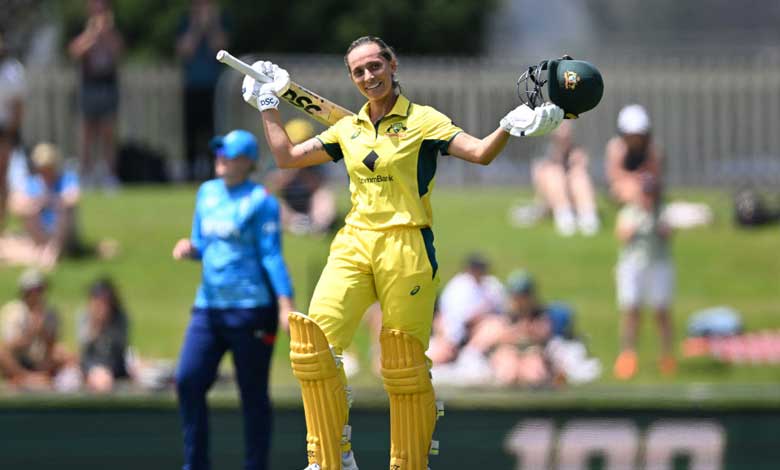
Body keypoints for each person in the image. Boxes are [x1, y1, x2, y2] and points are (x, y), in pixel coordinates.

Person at [242, 36, 568, 470]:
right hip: (354, 241)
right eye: (358, 71)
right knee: (311, 342)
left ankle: (409, 464)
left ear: (392, 65)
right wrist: (269, 102)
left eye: (374, 66)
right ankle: (329, 456)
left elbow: (479, 153)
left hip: (407, 244)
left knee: (404, 363)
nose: (368, 76)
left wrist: (509, 126)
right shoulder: (348, 128)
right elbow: (285, 158)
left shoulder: (424, 121)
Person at [171, 129, 295, 470]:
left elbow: (271, 255)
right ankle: (195, 464)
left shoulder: (261, 202)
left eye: (228, 155)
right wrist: (190, 248)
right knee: (188, 380)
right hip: (209, 308)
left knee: (253, 394)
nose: (220, 160)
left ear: (247, 162)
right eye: (218, 153)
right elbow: (202, 242)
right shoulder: (207, 193)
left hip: (251, 310)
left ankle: (255, 465)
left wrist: (286, 304)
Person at [613, 174, 675, 380]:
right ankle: (627, 354)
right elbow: (622, 235)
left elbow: (668, 233)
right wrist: (639, 224)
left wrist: (657, 224)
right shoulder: (630, 212)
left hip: (658, 265)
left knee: (661, 312)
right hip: (633, 266)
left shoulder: (662, 212)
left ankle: (666, 356)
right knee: (632, 311)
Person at [68, 0, 123, 189]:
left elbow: (119, 51)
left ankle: (110, 174)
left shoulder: (112, 29)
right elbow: (75, 51)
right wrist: (92, 34)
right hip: (88, 86)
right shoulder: (82, 28)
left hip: (107, 85)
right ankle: (86, 174)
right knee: (87, 133)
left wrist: (106, 34)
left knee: (108, 132)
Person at [0, 268, 81, 391]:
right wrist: (31, 333)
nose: (37, 294)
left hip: (42, 359)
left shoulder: (51, 313)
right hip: (20, 359)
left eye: (40, 290)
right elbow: (10, 346)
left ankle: (50, 379)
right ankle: (25, 377)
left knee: (67, 354)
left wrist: (43, 332)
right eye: (34, 290)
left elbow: (53, 344)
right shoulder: (13, 311)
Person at [176, 0, 230, 181]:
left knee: (214, 130)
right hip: (192, 86)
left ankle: (215, 168)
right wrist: (197, 27)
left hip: (215, 87)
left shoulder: (221, 22)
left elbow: (220, 47)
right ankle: (190, 171)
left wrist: (212, 25)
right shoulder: (185, 22)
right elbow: (185, 50)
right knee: (191, 131)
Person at [10, 142, 83, 268]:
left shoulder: (67, 179)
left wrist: (51, 200)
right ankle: (43, 250)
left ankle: (53, 250)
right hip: (40, 231)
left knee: (64, 209)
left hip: (63, 232)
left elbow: (73, 198)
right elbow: (15, 205)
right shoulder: (30, 183)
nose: (46, 171)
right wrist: (37, 203)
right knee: (28, 209)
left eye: (49, 167)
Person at [427, 253, 505, 366]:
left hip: (479, 331)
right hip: (455, 332)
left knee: (495, 325)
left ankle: (472, 353)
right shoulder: (458, 286)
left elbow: (501, 311)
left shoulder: (492, 285)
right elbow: (455, 317)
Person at [266, 119, 338, 235]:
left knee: (325, 197)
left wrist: (304, 167)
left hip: (310, 202)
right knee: (272, 202)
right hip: (288, 203)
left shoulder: (319, 157)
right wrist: (292, 168)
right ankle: (294, 224)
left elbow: (321, 186)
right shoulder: (279, 157)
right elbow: (272, 187)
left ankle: (319, 226)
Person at [529, 120, 600, 236]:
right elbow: (539, 182)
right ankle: (565, 215)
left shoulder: (576, 152)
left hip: (574, 196)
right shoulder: (545, 154)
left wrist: (577, 164)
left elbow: (584, 172)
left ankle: (588, 215)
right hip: (551, 199)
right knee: (554, 174)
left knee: (579, 175)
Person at [77, 277, 130, 393]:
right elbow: (84, 346)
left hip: (114, 363)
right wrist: (97, 325)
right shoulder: (85, 316)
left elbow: (120, 346)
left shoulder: (120, 317)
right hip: (91, 362)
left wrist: (107, 322)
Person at [605, 104, 663, 204]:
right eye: (631, 136)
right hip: (625, 186)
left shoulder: (652, 149)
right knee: (630, 189)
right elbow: (614, 177)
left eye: (638, 136)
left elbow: (655, 174)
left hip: (645, 186)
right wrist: (634, 179)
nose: (635, 140)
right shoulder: (616, 148)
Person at [0, 31, 26, 230]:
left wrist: (10, 136)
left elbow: (18, 108)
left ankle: (1, 223)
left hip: (3, 129)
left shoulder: (12, 71)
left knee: (2, 177)